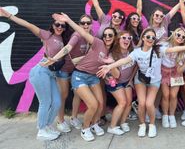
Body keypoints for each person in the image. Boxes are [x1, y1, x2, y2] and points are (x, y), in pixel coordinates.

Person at [97, 28, 185, 138]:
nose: (150, 39)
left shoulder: (159, 49)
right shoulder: (136, 52)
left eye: (153, 37)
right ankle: (142, 125)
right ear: (143, 38)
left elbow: (173, 49)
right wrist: (109, 66)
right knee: (142, 103)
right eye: (148, 37)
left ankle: (152, 125)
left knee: (149, 104)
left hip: (155, 80)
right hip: (141, 80)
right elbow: (125, 60)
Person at [0, 7, 70, 141]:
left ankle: (47, 125)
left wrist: (63, 18)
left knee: (56, 102)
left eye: (62, 26)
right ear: (53, 25)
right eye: (57, 25)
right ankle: (41, 130)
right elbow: (28, 25)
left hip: (51, 74)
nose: (60, 27)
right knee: (45, 102)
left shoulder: (63, 40)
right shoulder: (47, 35)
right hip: (40, 71)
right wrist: (9, 16)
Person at [52, 13, 116, 142]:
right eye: (105, 35)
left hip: (93, 77)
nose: (107, 37)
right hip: (80, 75)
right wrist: (69, 19)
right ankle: (85, 128)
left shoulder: (112, 52)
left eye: (110, 35)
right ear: (102, 37)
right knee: (92, 104)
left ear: (114, 38)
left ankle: (94, 124)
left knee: (100, 103)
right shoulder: (97, 42)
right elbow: (80, 32)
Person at [46, 14, 94, 132]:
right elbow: (67, 47)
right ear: (78, 25)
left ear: (91, 24)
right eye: (83, 23)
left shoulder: (90, 35)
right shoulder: (77, 35)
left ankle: (73, 118)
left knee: (78, 94)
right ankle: (60, 121)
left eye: (88, 22)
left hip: (77, 70)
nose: (85, 25)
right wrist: (55, 59)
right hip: (65, 69)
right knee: (63, 95)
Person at [160, 27, 185, 129]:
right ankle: (165, 116)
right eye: (178, 35)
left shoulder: (183, 51)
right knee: (166, 95)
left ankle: (171, 115)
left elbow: (179, 71)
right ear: (173, 34)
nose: (180, 38)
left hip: (175, 73)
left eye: (183, 37)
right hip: (164, 71)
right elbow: (169, 50)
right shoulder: (164, 44)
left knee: (173, 95)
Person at [105, 31, 137, 135]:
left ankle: (123, 123)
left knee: (128, 102)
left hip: (126, 81)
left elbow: (136, 67)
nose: (126, 40)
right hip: (113, 81)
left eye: (129, 38)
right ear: (118, 40)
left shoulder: (132, 52)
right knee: (122, 102)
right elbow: (116, 75)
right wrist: (113, 64)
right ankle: (112, 127)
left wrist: (130, 80)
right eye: (124, 38)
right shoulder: (113, 54)